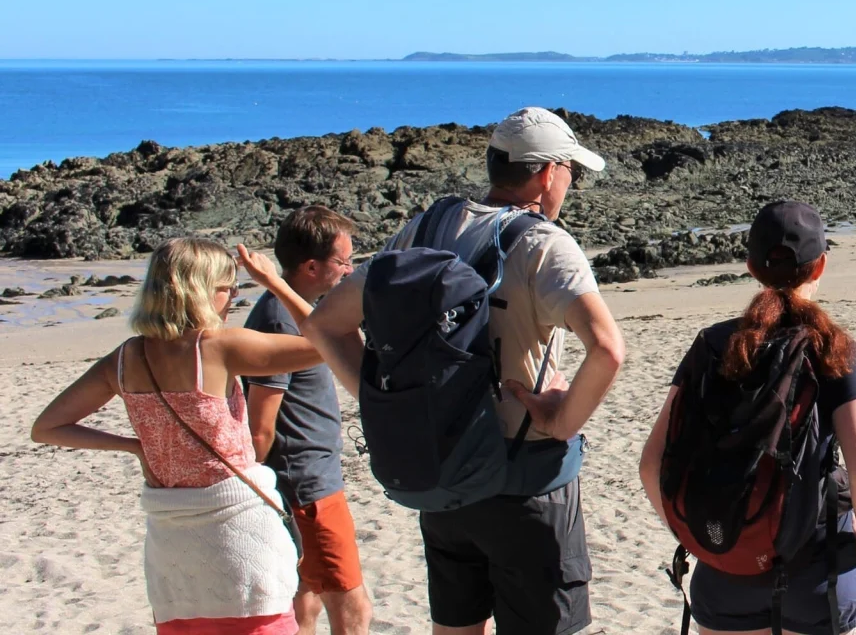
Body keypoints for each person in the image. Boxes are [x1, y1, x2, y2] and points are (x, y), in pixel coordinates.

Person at [302, 107, 626, 635]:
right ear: (546, 173)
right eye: (571, 169)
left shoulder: (426, 228)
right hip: (525, 481)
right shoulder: (544, 243)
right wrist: (563, 420)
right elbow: (608, 349)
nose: (572, 182)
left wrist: (385, 401)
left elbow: (323, 325)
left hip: (443, 472)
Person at [31, 238, 319, 634]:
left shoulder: (125, 358)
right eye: (227, 287)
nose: (233, 297)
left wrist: (135, 445)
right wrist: (276, 284)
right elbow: (328, 341)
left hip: (172, 549)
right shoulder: (216, 347)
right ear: (199, 290)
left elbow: (46, 428)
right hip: (238, 536)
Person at [639, 200, 856, 634]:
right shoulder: (836, 351)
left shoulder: (712, 344)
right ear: (821, 266)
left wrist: (700, 536)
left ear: (751, 267)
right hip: (816, 572)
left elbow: (650, 467)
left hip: (724, 567)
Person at [237, 206, 374, 635]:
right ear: (311, 266)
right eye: (343, 262)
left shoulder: (295, 312)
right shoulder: (280, 320)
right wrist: (257, 483)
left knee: (305, 597)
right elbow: (261, 422)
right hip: (306, 483)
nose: (350, 270)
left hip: (305, 478)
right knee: (352, 604)